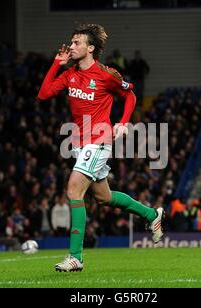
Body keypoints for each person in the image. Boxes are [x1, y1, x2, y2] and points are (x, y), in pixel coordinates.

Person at [38, 24, 165, 272]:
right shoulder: (69, 74)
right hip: (79, 143)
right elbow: (43, 94)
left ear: (91, 48)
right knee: (103, 197)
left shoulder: (107, 74)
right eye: (71, 42)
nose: (71, 46)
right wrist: (56, 63)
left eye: (77, 43)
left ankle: (75, 257)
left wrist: (124, 123)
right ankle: (152, 215)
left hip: (99, 139)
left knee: (74, 190)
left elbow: (131, 95)